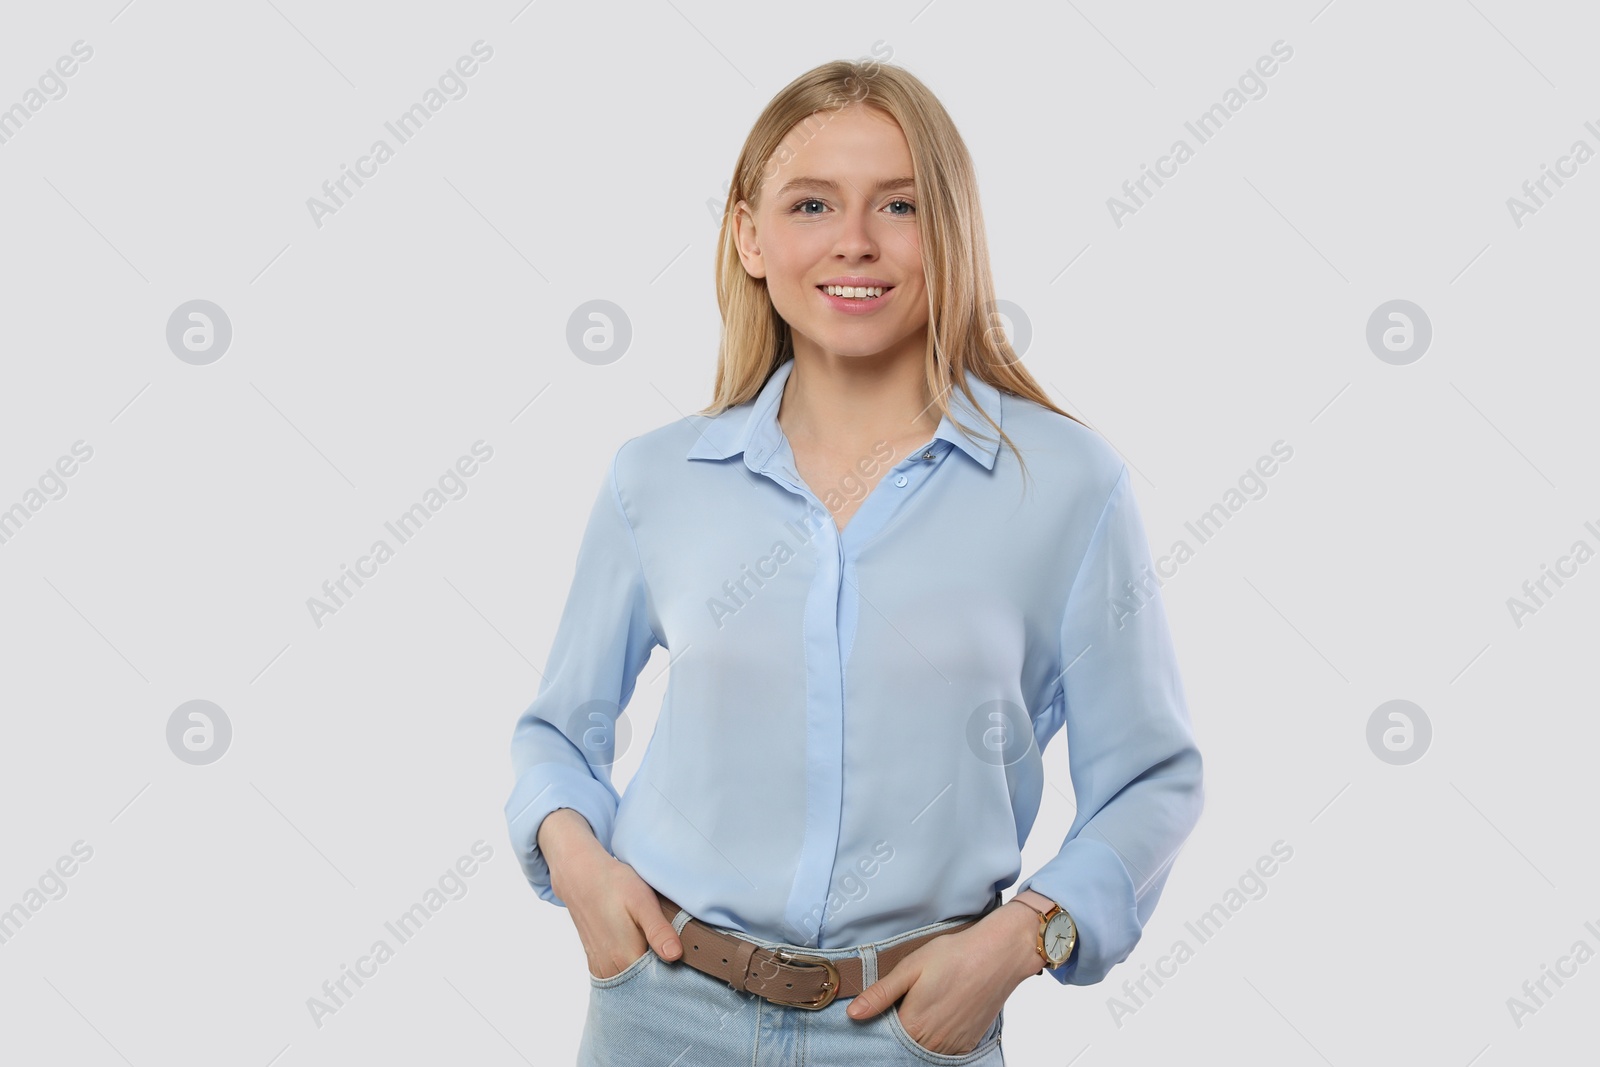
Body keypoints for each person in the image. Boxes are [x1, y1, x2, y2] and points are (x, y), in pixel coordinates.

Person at [505, 57, 1204, 1065]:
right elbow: (554, 735)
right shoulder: (656, 480)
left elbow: (1151, 776)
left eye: (900, 205)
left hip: (915, 1029)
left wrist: (1020, 941)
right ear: (748, 235)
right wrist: (577, 864)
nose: (854, 243)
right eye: (811, 203)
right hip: (659, 1012)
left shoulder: (1063, 484)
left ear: (950, 231)